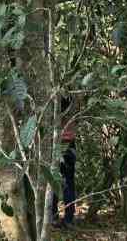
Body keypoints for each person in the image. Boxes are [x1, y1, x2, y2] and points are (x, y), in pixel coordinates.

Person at [52, 97, 77, 228]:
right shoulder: (72, 103)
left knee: (54, 180)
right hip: (69, 144)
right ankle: (69, 219)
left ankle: (54, 217)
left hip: (58, 143)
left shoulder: (54, 104)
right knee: (69, 183)